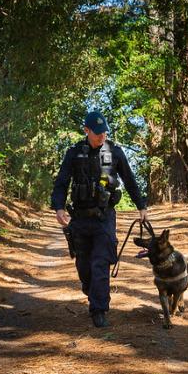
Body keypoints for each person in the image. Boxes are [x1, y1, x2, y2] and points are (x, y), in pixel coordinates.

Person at [51, 111, 147, 328]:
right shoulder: (74, 153)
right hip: (80, 219)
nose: (102, 137)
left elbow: (130, 180)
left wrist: (141, 206)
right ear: (86, 131)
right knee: (84, 266)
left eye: (104, 133)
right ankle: (90, 292)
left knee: (100, 263)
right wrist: (58, 207)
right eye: (97, 134)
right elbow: (62, 182)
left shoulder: (115, 153)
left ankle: (99, 309)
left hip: (104, 218)